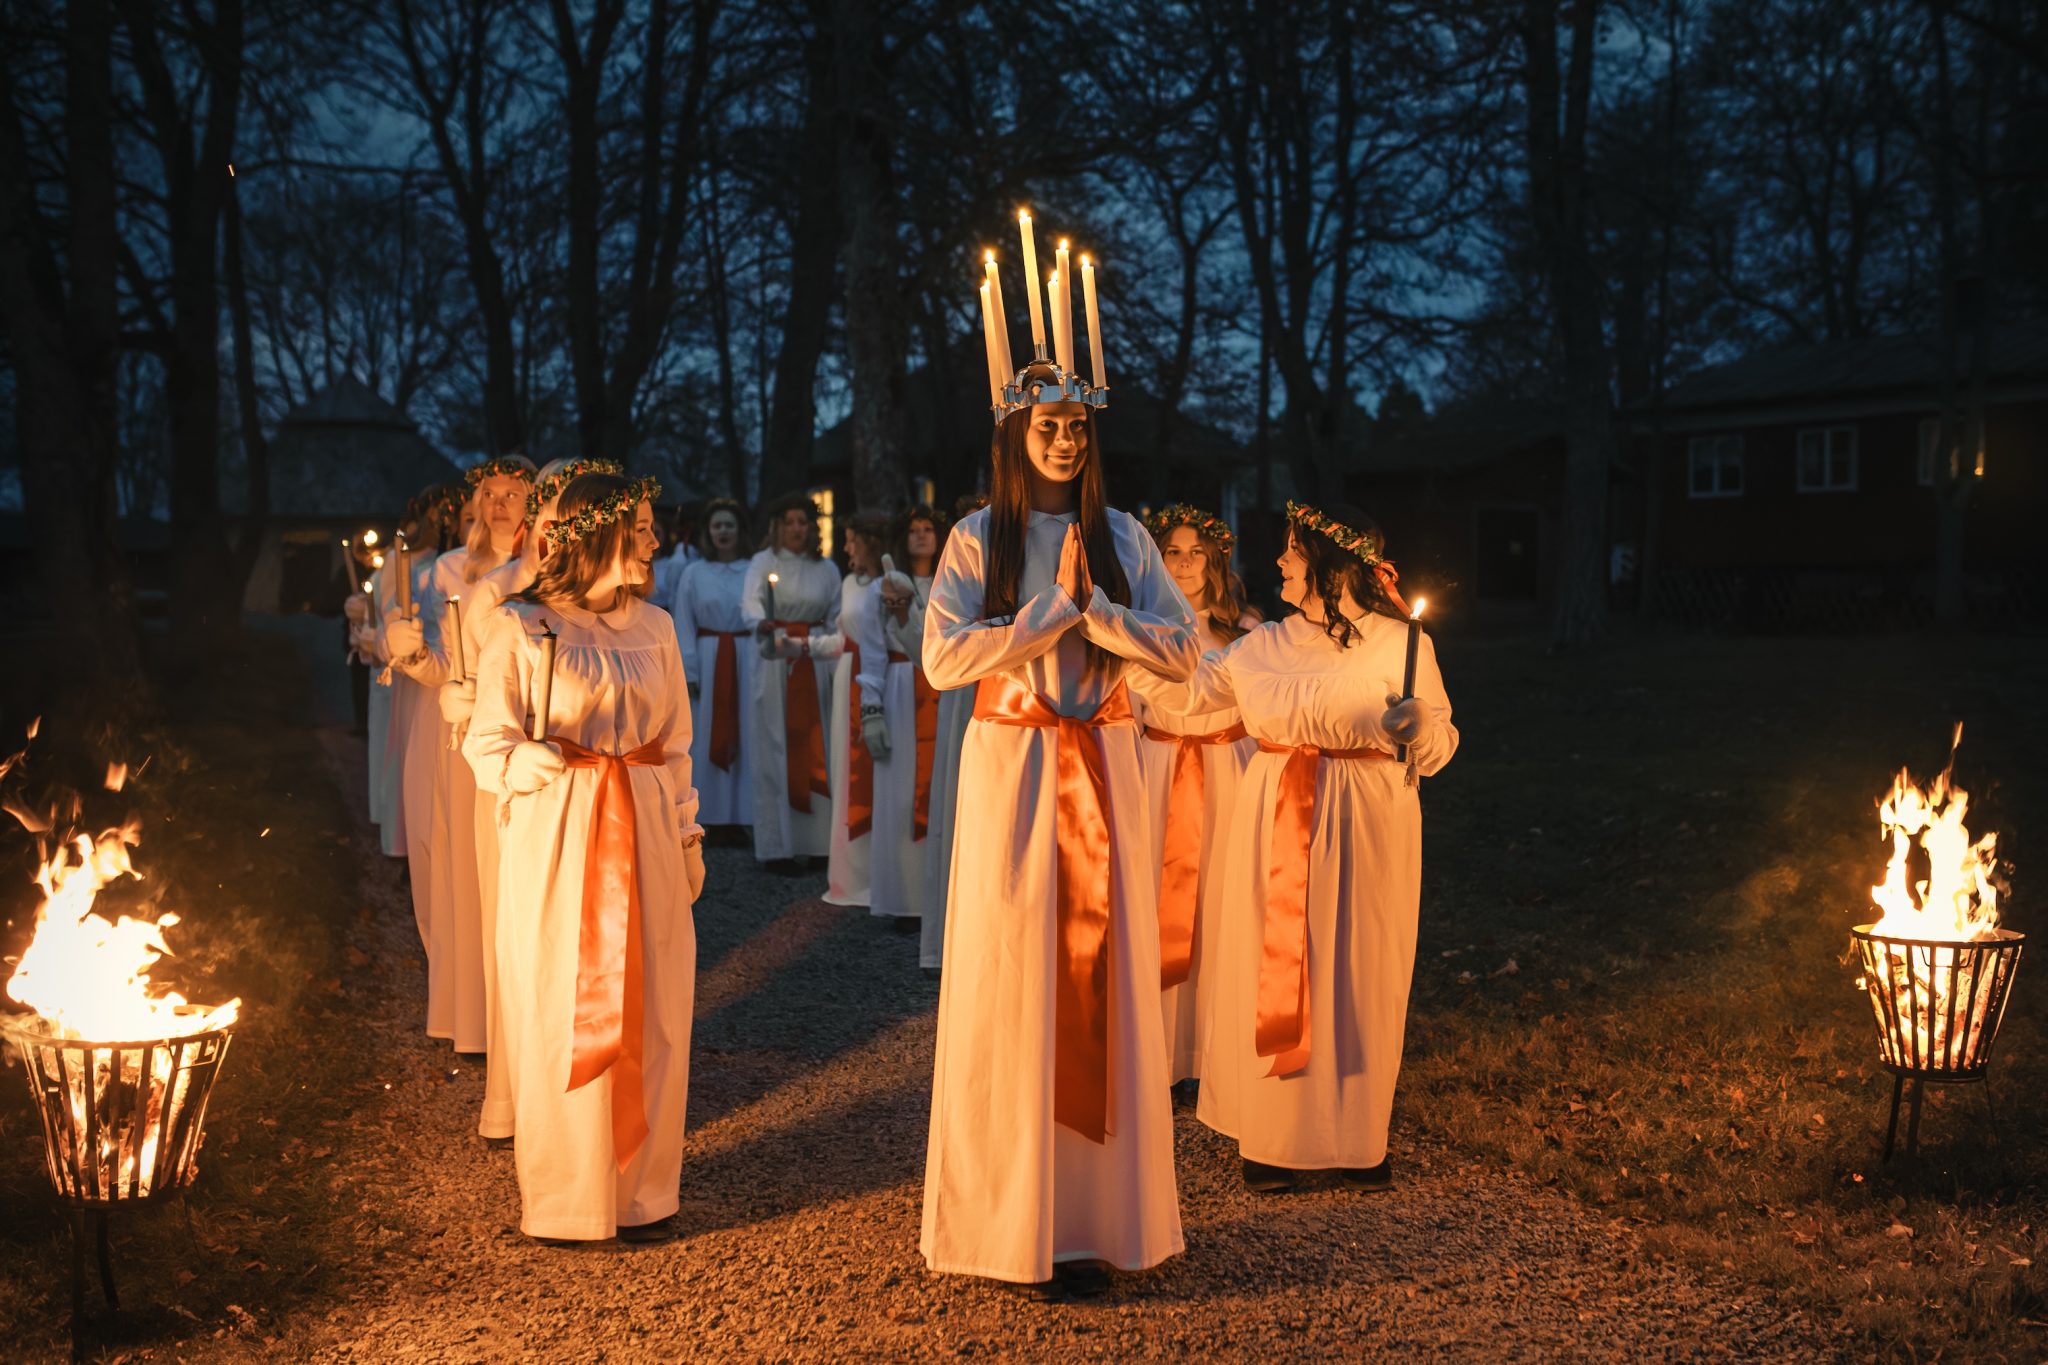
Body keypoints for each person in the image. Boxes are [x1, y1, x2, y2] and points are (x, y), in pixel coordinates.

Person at [920, 363, 1199, 1295]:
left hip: (1106, 769)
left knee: (1103, 976)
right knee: (1018, 973)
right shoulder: (975, 538)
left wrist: (1105, 615)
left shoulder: (1121, 534)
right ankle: (1012, 1220)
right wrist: (1045, 616)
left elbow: (1188, 650)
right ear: (1014, 434)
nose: (1066, 440)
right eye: (1048, 426)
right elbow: (942, 658)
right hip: (1018, 772)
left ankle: (1095, 1220)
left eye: (1079, 425)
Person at [1181, 501, 1456, 1194]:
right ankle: (1275, 1140)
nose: (1279, 561)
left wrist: (1415, 724)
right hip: (1275, 814)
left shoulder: (1402, 644)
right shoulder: (1261, 644)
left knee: (1359, 970)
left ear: (1332, 565)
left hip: (1369, 824)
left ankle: (1356, 1138)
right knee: (1278, 965)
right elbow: (1186, 695)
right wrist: (1111, 656)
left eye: (1293, 551)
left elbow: (1442, 744)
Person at [464, 470, 703, 1244]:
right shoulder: (523, 625)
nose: (654, 538)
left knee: (654, 1001)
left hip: (644, 825)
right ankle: (570, 1197)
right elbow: (485, 736)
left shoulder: (657, 629)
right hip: (561, 835)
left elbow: (674, 745)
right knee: (562, 1001)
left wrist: (689, 831)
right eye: (638, 525)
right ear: (591, 532)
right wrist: (517, 763)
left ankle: (641, 1191)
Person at [449, 456, 615, 1140]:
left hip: (586, 790)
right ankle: (517, 1096)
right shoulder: (501, 596)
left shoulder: (602, 603)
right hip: (522, 784)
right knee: (521, 939)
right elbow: (474, 676)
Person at [1131, 504, 1259, 1089]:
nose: (1183, 564)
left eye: (1195, 553)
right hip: (1159, 768)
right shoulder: (1142, 626)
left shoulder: (1248, 632)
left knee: (1221, 908)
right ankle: (1161, 1053)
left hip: (1226, 769)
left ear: (1215, 561)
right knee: (1158, 905)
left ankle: (1214, 1053)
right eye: (1172, 552)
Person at [380, 482, 465, 1038]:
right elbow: (390, 607)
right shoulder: (419, 565)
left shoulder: (463, 570)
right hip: (431, 677)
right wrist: (390, 635)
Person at [741, 492, 842, 872]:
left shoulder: (827, 569)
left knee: (817, 744)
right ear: (778, 527)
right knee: (774, 745)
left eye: (804, 522)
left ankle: (817, 843)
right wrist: (762, 623)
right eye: (791, 522)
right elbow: (750, 604)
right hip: (775, 658)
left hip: (814, 660)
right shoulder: (761, 563)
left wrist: (825, 649)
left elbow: (836, 616)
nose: (798, 529)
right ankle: (777, 845)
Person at [865, 505, 947, 931]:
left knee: (940, 793)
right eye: (913, 529)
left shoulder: (952, 584)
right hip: (899, 690)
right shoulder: (881, 586)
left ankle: (938, 897)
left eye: (928, 528)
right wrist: (871, 709)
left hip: (943, 694)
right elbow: (872, 650)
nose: (921, 535)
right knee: (898, 796)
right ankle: (903, 899)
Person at [916, 492, 987, 974]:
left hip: (1008, 688)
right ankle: (944, 940)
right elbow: (933, 648)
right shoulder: (959, 566)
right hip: (966, 690)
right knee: (952, 802)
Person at [668, 499, 755, 833]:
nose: (723, 532)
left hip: (744, 656)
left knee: (745, 729)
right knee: (705, 732)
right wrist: (689, 670)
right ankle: (712, 814)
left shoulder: (752, 570)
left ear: (740, 531)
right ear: (708, 531)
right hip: (708, 658)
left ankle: (743, 814)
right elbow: (684, 622)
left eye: (729, 525)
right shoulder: (694, 573)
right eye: (717, 525)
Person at [823, 514, 889, 909]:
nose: (846, 549)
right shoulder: (849, 584)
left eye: (851, 540)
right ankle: (851, 876)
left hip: (880, 677)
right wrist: (799, 648)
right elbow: (841, 638)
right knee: (847, 774)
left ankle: (882, 873)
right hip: (848, 674)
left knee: (881, 774)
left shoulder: (892, 583)